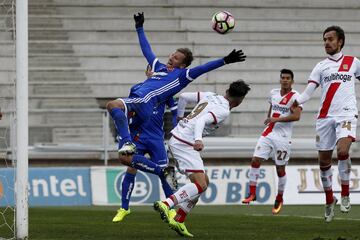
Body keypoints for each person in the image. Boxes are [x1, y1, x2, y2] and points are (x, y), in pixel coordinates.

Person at [106, 12, 246, 166]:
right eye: (173, 55)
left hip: (148, 109)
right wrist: (139, 27)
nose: (172, 57)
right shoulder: (158, 67)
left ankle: (134, 147)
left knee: (114, 107)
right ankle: (157, 167)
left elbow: (203, 68)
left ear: (183, 65)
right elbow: (147, 50)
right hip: (141, 108)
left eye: (176, 58)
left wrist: (224, 60)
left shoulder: (182, 75)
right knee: (127, 160)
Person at [153, 80, 251, 237]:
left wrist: (179, 118)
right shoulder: (224, 110)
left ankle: (179, 219)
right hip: (185, 143)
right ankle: (167, 204)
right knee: (200, 184)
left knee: (204, 182)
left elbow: (184, 97)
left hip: (179, 138)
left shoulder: (211, 95)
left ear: (227, 90)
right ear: (239, 100)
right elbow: (200, 121)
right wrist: (198, 139)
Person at [293, 25, 360, 222]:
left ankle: (346, 194)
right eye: (324, 40)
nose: (327, 43)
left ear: (340, 42)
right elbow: (307, 93)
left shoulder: (353, 62)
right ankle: (330, 199)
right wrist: (296, 101)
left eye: (330, 39)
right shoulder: (320, 66)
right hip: (325, 118)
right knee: (324, 162)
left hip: (346, 115)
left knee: (342, 151)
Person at [112, 65, 178, 223]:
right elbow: (130, 109)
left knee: (165, 171)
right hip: (139, 136)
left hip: (156, 138)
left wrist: (176, 129)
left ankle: (171, 210)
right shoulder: (137, 88)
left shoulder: (165, 91)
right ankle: (124, 208)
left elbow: (175, 111)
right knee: (131, 167)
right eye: (152, 70)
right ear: (147, 72)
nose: (154, 73)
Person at [241, 69, 302, 215]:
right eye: (283, 78)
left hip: (283, 138)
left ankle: (279, 198)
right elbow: (272, 108)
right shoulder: (273, 93)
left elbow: (297, 117)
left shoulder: (296, 97)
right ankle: (252, 193)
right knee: (255, 160)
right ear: (280, 80)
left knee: (280, 169)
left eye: (288, 78)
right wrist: (270, 119)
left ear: (292, 81)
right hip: (269, 133)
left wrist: (277, 119)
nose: (285, 80)